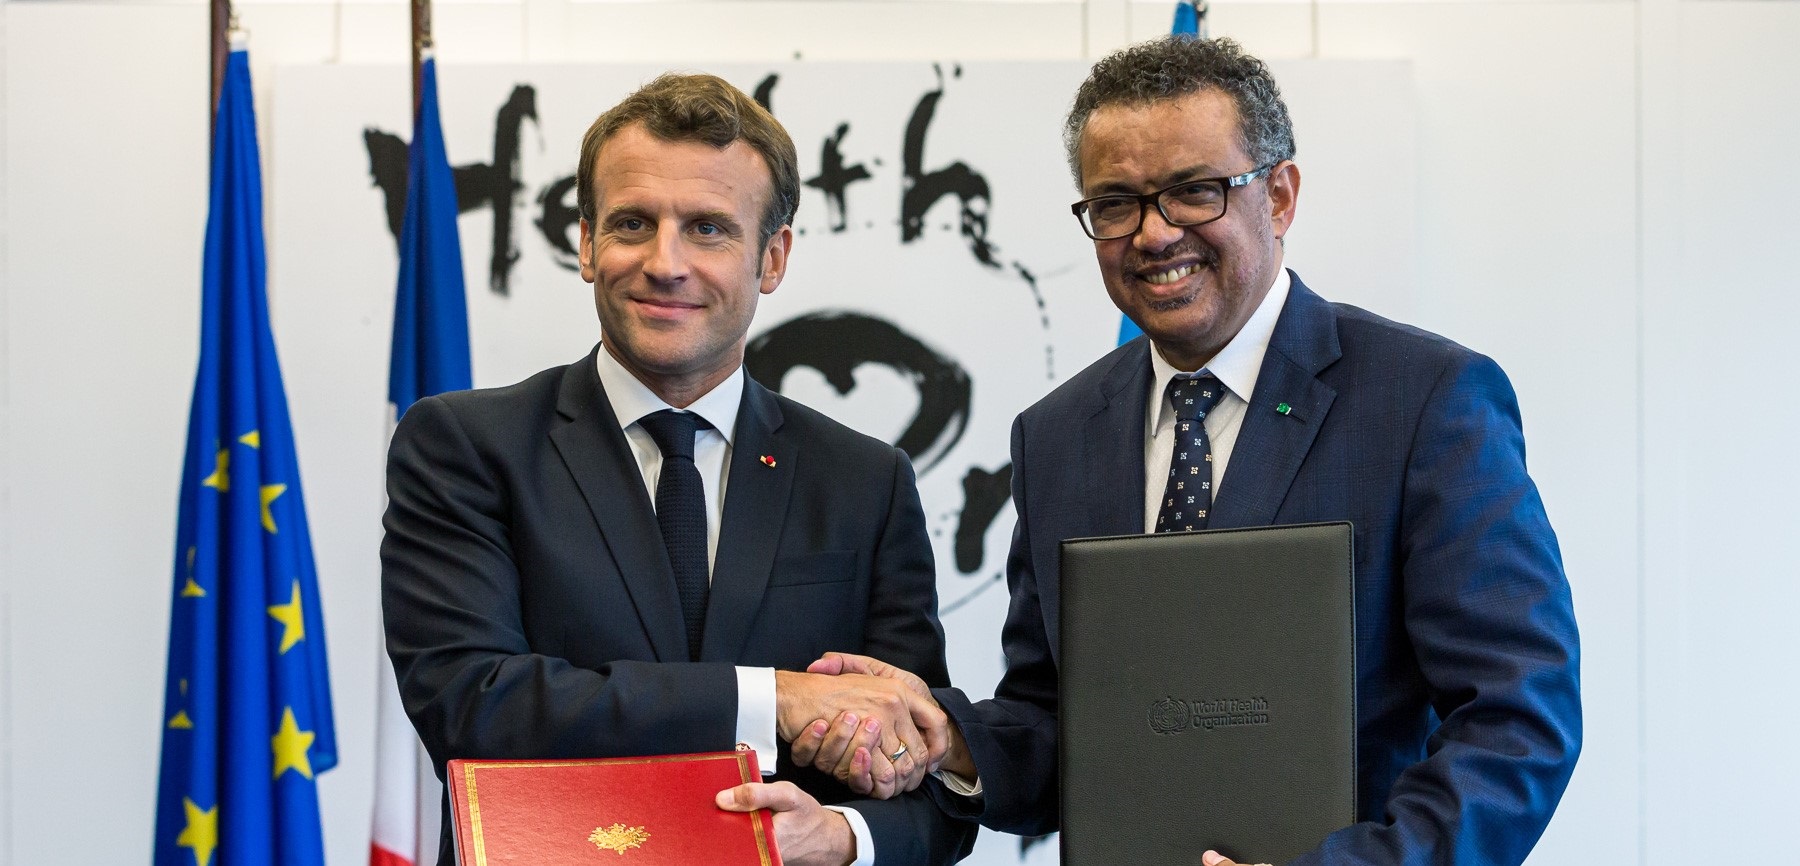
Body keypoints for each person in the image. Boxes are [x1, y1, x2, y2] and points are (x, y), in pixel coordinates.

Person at [796, 36, 1582, 866]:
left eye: (1194, 192)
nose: (1153, 233)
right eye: (1115, 204)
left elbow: (1516, 718)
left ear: (1278, 196)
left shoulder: (1424, 398)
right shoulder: (1057, 433)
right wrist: (950, 737)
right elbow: (1061, 719)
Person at [381, 73, 976, 866]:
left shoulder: (864, 482)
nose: (666, 263)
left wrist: (841, 835)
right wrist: (780, 697)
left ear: (772, 257)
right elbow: (474, 708)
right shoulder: (464, 448)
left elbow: (924, 770)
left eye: (707, 229)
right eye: (633, 223)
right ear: (587, 244)